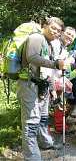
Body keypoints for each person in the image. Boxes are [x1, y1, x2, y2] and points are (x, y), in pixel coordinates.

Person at [17, 17, 65, 160]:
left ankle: (45, 143)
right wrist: (55, 64)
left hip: (41, 85)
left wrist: (52, 90)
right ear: (45, 25)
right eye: (54, 28)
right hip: (28, 84)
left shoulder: (48, 44)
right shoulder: (37, 37)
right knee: (31, 122)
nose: (56, 32)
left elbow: (46, 71)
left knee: (43, 117)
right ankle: (32, 157)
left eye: (58, 31)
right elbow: (31, 57)